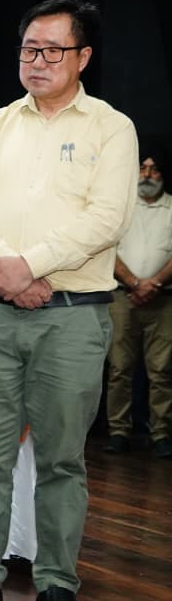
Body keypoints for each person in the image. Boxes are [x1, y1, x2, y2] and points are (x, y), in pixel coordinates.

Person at [0, 0, 138, 601]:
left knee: (62, 461)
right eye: (29, 48)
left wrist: (30, 264)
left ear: (83, 57)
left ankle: (56, 584)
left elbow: (107, 219)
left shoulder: (112, 128)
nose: (38, 60)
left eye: (53, 50)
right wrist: (6, 268)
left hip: (72, 318)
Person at [104, 144, 172, 457]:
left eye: (154, 169)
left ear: (163, 174)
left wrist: (153, 283)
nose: (147, 175)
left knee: (161, 370)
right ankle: (118, 432)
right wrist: (134, 282)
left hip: (163, 300)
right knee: (119, 368)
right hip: (122, 297)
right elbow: (107, 250)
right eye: (142, 168)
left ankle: (161, 434)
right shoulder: (122, 208)